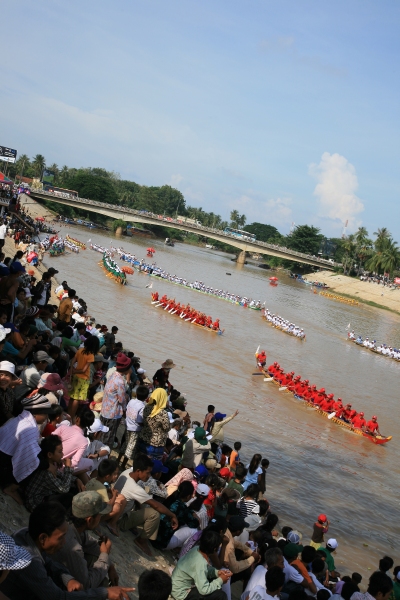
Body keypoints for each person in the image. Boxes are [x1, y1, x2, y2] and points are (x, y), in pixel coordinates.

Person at [0, 501, 134, 599]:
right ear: (43, 538)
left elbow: (48, 562)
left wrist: (67, 578)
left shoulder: (26, 534)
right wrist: (105, 592)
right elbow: (58, 597)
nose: (64, 542)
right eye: (60, 538)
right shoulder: (30, 563)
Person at [113, 454, 179, 556]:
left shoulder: (127, 472)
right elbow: (156, 505)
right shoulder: (134, 488)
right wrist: (172, 515)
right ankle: (141, 541)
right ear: (138, 471)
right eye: (147, 473)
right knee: (154, 513)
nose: (149, 476)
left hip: (117, 510)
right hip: (120, 519)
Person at [52, 491, 119, 589]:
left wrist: (110, 566)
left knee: (97, 561)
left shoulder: (73, 525)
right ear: (90, 520)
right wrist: (105, 555)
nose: (100, 519)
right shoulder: (73, 548)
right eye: (99, 515)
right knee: (102, 585)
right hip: (57, 583)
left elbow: (92, 545)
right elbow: (87, 584)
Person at [0, 393, 54, 505]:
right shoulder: (30, 428)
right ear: (36, 414)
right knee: (35, 463)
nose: (46, 418)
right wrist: (47, 465)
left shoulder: (21, 418)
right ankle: (11, 488)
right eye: (45, 414)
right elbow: (30, 457)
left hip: (3, 453)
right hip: (3, 461)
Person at [24, 434, 80, 512]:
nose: (62, 454)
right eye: (60, 452)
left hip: (42, 497)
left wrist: (77, 480)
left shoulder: (50, 464)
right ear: (50, 455)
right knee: (68, 497)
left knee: (73, 487)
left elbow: (60, 476)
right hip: (35, 503)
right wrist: (68, 468)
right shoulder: (47, 472)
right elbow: (64, 489)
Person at [171, 529, 231, 600]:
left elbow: (204, 570)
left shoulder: (197, 549)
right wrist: (220, 580)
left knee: (215, 583)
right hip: (181, 594)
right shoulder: (200, 562)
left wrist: (216, 572)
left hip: (175, 587)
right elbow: (204, 590)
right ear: (215, 549)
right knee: (221, 595)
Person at [53, 405, 95, 481]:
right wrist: (66, 462)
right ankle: (68, 475)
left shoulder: (63, 427)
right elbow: (75, 462)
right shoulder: (84, 441)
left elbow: (50, 439)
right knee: (91, 463)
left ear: (77, 419)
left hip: (51, 459)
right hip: (63, 466)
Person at [155, 480, 199, 550]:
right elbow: (195, 524)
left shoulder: (172, 498)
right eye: (191, 495)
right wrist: (196, 517)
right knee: (194, 530)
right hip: (161, 542)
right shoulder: (182, 508)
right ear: (188, 496)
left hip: (153, 534)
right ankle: (180, 552)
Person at [99, 352, 131, 448]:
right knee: (108, 438)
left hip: (104, 410)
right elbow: (121, 400)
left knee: (101, 434)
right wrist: (126, 399)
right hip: (113, 414)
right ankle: (103, 457)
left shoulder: (112, 375)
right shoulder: (120, 381)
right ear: (126, 368)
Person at [68, 336, 100, 419]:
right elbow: (84, 370)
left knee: (72, 397)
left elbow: (72, 361)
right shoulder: (91, 355)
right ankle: (71, 417)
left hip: (75, 377)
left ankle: (68, 414)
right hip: (83, 379)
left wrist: (72, 370)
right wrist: (75, 371)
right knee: (77, 399)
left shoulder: (80, 350)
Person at [118, 384, 148, 469]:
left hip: (127, 426)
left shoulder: (131, 401)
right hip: (135, 429)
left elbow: (127, 411)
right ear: (146, 397)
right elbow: (139, 420)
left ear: (136, 394)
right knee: (130, 447)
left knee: (125, 443)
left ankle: (118, 459)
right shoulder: (142, 406)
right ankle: (123, 465)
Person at [224, 516, 259, 583]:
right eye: (242, 529)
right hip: (224, 568)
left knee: (240, 549)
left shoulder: (226, 531)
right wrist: (252, 558)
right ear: (238, 532)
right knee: (246, 571)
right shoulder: (230, 546)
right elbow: (235, 568)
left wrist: (251, 552)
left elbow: (237, 544)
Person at [138, 388, 171, 459]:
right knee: (151, 467)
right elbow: (167, 428)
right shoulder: (163, 413)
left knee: (139, 462)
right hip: (156, 445)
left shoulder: (147, 407)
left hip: (143, 439)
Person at [0, 359, 19, 426]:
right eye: (1, 374)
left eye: (7, 375)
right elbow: (4, 413)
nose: (3, 378)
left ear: (12, 378)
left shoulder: (9, 392)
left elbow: (16, 408)